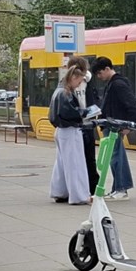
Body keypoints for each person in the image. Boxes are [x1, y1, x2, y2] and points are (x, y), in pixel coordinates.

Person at [91, 56, 136, 201]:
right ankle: (117, 188)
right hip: (112, 125)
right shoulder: (114, 83)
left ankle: (121, 189)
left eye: (100, 73)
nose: (99, 77)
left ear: (107, 69)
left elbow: (132, 105)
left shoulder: (118, 84)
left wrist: (129, 125)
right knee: (114, 157)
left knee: (116, 157)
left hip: (115, 126)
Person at [48, 64, 92, 205]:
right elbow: (71, 113)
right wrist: (85, 112)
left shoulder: (59, 91)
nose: (79, 85)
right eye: (79, 81)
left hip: (61, 131)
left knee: (61, 164)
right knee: (75, 164)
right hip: (70, 130)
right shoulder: (65, 93)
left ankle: (59, 192)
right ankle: (79, 196)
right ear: (73, 77)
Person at [66, 56, 100, 195]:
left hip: (85, 123)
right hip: (79, 124)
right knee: (84, 158)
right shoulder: (68, 84)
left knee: (86, 158)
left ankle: (90, 187)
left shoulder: (88, 81)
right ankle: (86, 188)